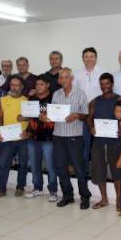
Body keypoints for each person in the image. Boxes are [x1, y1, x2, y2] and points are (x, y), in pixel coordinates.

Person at [48, 67, 91, 209]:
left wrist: (77, 115)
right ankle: (68, 196)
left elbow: (86, 116)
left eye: (66, 77)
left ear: (71, 78)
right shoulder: (56, 94)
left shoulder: (80, 94)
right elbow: (53, 114)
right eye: (61, 77)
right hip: (58, 136)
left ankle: (85, 196)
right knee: (61, 168)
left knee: (79, 168)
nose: (63, 80)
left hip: (74, 137)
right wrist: (46, 118)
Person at [87, 73, 121, 210]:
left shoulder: (120, 99)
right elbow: (89, 117)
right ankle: (104, 199)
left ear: (112, 83)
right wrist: (91, 127)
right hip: (98, 141)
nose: (104, 86)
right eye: (102, 84)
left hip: (115, 141)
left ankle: (118, 201)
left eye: (107, 83)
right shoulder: (95, 101)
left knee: (117, 171)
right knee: (99, 169)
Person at [25, 75, 58, 202]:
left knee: (50, 166)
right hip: (33, 137)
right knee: (34, 165)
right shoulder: (31, 98)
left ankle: (53, 191)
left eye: (41, 84)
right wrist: (25, 125)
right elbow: (29, 117)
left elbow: (58, 116)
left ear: (47, 85)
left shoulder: (53, 98)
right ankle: (37, 188)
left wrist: (45, 116)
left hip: (49, 138)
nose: (38, 87)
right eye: (37, 84)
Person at [0, 75, 29, 199]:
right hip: (7, 139)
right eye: (12, 85)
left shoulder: (27, 100)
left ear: (22, 87)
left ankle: (20, 187)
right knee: (3, 163)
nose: (14, 87)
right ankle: (1, 189)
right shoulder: (3, 100)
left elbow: (32, 119)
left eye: (17, 85)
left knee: (23, 164)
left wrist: (28, 132)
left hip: (22, 138)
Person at [73, 47, 105, 173]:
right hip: (82, 115)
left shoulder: (103, 73)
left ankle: (99, 171)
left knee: (99, 145)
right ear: (82, 58)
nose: (89, 59)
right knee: (84, 144)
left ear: (96, 58)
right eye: (86, 57)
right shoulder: (76, 74)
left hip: (98, 114)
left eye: (91, 56)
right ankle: (84, 171)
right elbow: (74, 94)